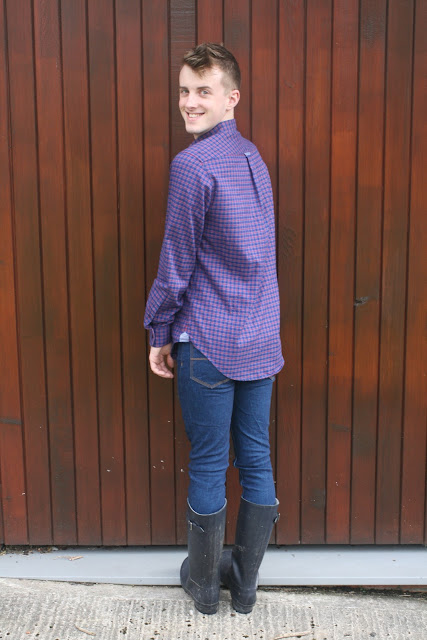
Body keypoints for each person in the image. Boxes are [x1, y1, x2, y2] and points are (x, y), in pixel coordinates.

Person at [144, 43, 284, 615]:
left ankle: (204, 587)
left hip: (207, 339)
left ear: (232, 98)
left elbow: (176, 262)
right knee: (256, 460)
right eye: (184, 90)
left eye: (204, 91)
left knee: (208, 462)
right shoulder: (252, 157)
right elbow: (259, 257)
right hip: (259, 338)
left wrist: (159, 330)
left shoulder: (193, 165)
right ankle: (244, 587)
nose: (190, 102)